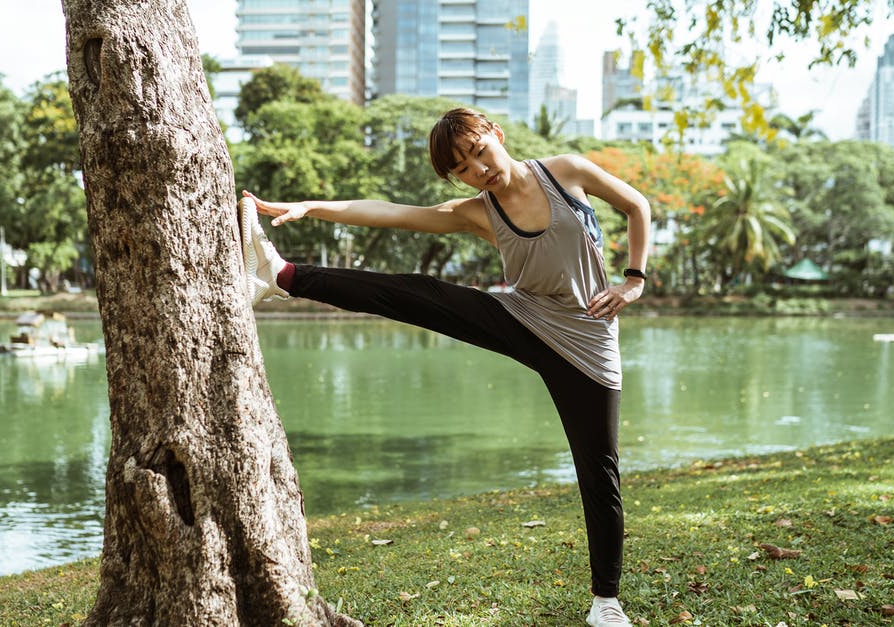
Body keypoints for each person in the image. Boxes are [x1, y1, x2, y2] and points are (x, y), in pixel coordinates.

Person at [239, 107, 650, 627]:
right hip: (523, 318)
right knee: (418, 293)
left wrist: (633, 279)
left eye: (480, 151)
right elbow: (391, 212)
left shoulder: (565, 170)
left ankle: (606, 603)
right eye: (465, 168)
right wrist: (311, 206)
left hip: (589, 341)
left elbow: (636, 205)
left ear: (497, 135)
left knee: (600, 472)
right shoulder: (477, 212)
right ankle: (283, 275)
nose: (480, 169)